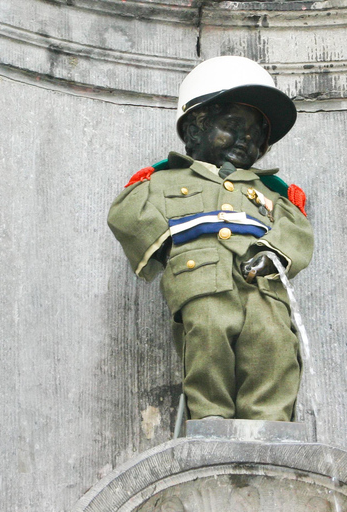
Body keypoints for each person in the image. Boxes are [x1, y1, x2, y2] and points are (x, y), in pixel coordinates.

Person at [107, 56, 313, 421]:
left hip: (262, 288)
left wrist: (275, 252)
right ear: (194, 130)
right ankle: (210, 419)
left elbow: (295, 228)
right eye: (232, 126)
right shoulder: (161, 181)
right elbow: (127, 212)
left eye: (256, 134)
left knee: (275, 343)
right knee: (207, 339)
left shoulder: (274, 193)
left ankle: (270, 423)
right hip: (200, 281)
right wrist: (167, 245)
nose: (245, 139)